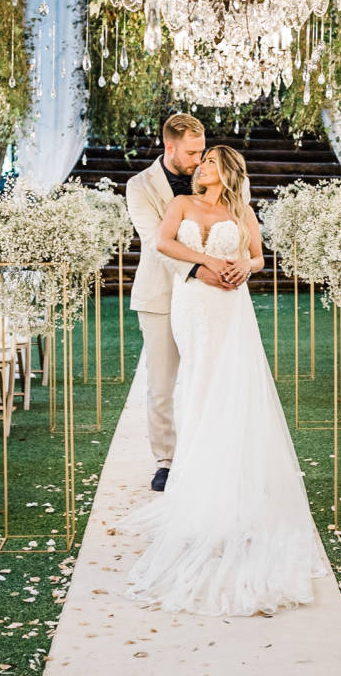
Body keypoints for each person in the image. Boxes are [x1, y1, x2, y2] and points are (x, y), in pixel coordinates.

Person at [119, 145, 330, 616]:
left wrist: (241, 267)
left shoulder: (241, 211)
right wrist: (208, 263)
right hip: (193, 302)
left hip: (230, 304)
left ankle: (231, 474)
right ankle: (194, 477)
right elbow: (163, 243)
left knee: (231, 382)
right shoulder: (181, 203)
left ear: (228, 171)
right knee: (198, 381)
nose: (202, 166)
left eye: (211, 162)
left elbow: (258, 258)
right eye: (202, 161)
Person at [125, 113, 234, 492]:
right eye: (191, 153)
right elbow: (156, 241)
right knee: (161, 384)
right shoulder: (140, 186)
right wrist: (199, 269)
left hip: (210, 298)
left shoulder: (210, 176)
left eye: (202, 151)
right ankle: (166, 461)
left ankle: (210, 452)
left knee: (212, 376)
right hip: (160, 295)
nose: (199, 160)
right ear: (169, 147)